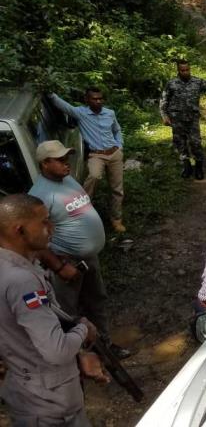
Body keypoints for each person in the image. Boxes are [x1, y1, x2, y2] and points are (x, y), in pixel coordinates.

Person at [0, 194, 102, 426]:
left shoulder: (13, 267)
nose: (51, 227)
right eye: (44, 221)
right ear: (20, 230)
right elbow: (57, 350)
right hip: (49, 404)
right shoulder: (22, 280)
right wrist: (83, 330)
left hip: (26, 392)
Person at [27, 140, 130, 359]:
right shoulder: (39, 196)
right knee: (68, 311)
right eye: (60, 160)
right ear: (45, 163)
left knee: (97, 300)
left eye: (67, 158)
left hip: (88, 258)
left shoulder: (67, 179)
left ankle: (105, 346)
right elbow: (34, 241)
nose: (67, 163)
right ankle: (78, 358)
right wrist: (59, 266)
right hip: (66, 262)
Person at [47, 87, 126, 233]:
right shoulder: (81, 113)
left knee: (117, 189)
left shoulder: (110, 113)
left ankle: (116, 219)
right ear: (87, 100)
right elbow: (63, 105)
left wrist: (119, 145)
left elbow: (117, 130)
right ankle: (82, 212)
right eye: (94, 99)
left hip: (114, 154)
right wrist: (49, 91)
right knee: (94, 177)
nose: (98, 101)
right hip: (96, 155)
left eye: (100, 98)